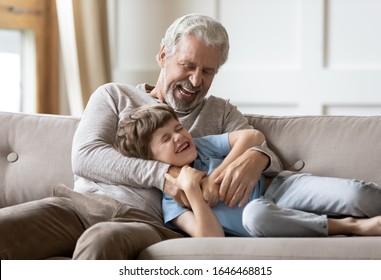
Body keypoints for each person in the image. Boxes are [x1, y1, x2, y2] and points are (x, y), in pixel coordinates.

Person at [0, 14, 281, 259]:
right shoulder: (114, 96)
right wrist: (166, 175)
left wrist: (257, 158)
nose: (196, 81)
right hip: (80, 207)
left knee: (101, 241)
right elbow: (86, 157)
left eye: (208, 72)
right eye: (187, 65)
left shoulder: (219, 112)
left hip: (146, 224)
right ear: (162, 56)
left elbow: (272, 159)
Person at [115, 103, 381, 238]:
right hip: (264, 219)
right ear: (151, 159)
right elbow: (210, 237)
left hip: (282, 188)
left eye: (178, 128)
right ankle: (350, 226)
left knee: (356, 194)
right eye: (165, 139)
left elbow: (250, 136)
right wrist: (192, 191)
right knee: (256, 214)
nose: (178, 137)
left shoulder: (202, 147)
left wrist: (217, 175)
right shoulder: (171, 204)